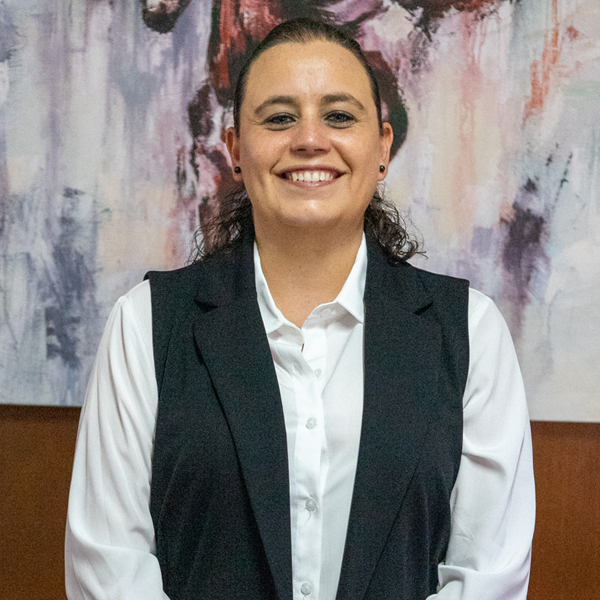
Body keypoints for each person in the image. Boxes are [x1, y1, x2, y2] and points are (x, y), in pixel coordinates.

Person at [65, 18, 535, 600]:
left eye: (339, 116)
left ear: (382, 147)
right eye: (279, 118)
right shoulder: (145, 324)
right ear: (236, 150)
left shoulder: (470, 333)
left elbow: (489, 576)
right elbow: (108, 569)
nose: (310, 139)